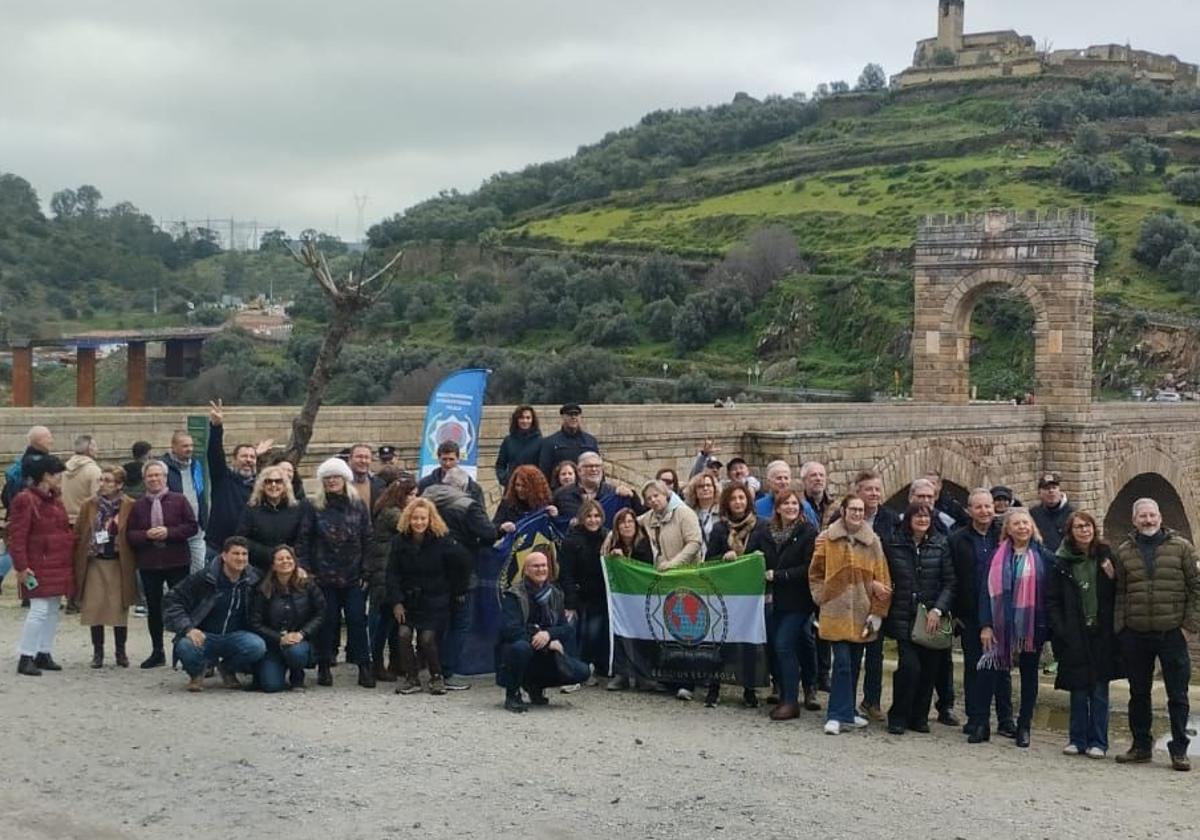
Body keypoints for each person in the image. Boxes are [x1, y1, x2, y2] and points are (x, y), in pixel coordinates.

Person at [1112, 498, 1199, 771]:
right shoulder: (1124, 551)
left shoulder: (1182, 548)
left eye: (1152, 515)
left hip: (1172, 631)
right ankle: (1140, 746)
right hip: (1136, 633)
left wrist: (1189, 627)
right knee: (1138, 693)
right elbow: (1121, 593)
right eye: (1143, 517)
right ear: (1134, 520)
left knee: (1178, 694)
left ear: (1160, 517)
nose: (1148, 521)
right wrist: (1121, 627)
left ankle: (1179, 750)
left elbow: (1196, 588)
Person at [809, 493, 892, 735]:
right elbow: (815, 572)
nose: (857, 513)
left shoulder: (873, 541)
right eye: (852, 509)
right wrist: (821, 595)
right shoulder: (827, 539)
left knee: (855, 664)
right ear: (844, 511)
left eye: (860, 510)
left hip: (862, 611)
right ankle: (835, 714)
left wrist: (877, 611)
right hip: (835, 608)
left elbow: (883, 577)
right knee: (842, 663)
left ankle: (848, 711)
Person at [967, 508, 1049, 748]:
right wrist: (986, 625)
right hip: (999, 625)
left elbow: (1052, 593)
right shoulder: (995, 556)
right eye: (1016, 524)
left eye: (1025, 523)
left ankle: (1024, 726)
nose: (1022, 527)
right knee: (988, 673)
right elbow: (985, 593)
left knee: (1028, 676)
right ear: (1008, 530)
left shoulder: (1044, 556)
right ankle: (982, 723)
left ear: (1032, 527)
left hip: (1030, 627)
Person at [422, 466, 505, 690]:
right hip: (460, 570)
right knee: (460, 622)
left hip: (430, 572)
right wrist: (501, 530)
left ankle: (432, 668)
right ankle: (447, 672)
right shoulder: (467, 505)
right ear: (463, 486)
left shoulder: (425, 499)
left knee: (436, 622)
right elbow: (488, 533)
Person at [1046, 511, 1121, 759]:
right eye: (1079, 527)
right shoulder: (1062, 562)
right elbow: (1053, 599)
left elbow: (1120, 593)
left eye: (1087, 526)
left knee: (1099, 690)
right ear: (1071, 532)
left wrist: (1113, 578)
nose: (1084, 531)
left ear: (1094, 529)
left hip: (1101, 632)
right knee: (1078, 688)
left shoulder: (1106, 557)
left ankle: (1099, 741)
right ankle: (1077, 739)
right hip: (1074, 632)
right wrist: (1061, 629)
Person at [296, 457, 375, 689]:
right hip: (323, 577)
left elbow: (368, 538)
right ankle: (324, 664)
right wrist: (307, 569)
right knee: (327, 622)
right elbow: (304, 539)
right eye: (328, 478)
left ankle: (364, 665)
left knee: (357, 621)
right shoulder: (313, 506)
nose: (332, 481)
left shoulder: (358, 505)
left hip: (353, 576)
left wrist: (367, 570)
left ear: (344, 479)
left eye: (336, 477)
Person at [883, 503, 955, 735]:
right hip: (904, 614)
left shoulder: (941, 544)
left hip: (931, 617)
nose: (922, 520)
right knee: (909, 668)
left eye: (926, 517)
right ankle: (898, 715)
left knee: (929, 669)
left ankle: (919, 717)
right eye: (918, 516)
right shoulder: (894, 544)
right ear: (909, 518)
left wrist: (939, 609)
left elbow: (950, 582)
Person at [388, 497, 471, 695]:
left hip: (436, 600)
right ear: (409, 519)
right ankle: (412, 677)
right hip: (409, 599)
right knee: (403, 634)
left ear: (430, 519)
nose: (419, 522)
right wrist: (397, 601)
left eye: (423, 518)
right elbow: (392, 573)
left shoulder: (442, 540)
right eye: (415, 518)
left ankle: (436, 676)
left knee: (427, 639)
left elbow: (464, 563)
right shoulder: (399, 542)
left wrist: (458, 590)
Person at [949, 487, 1014, 736]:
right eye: (979, 507)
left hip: (1001, 612)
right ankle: (976, 717)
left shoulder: (1004, 535)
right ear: (969, 510)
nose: (985, 511)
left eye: (988, 506)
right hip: (970, 613)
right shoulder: (957, 539)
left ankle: (1006, 719)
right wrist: (955, 613)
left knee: (1002, 668)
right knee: (974, 667)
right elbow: (952, 576)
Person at [164, 536, 267, 692]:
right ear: (224, 556)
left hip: (236, 635)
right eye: (236, 554)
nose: (240, 558)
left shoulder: (254, 579)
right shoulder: (204, 577)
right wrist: (188, 628)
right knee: (185, 646)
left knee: (257, 646)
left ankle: (227, 668)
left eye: (244, 554)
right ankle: (197, 673)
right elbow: (172, 600)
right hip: (204, 635)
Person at [496, 550, 591, 712]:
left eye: (544, 565)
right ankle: (512, 694)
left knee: (583, 671)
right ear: (526, 570)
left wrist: (549, 635)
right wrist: (542, 637)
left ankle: (535, 687)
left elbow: (566, 628)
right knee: (520, 648)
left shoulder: (555, 594)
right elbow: (510, 630)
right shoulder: (513, 595)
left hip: (545, 651)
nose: (541, 570)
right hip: (517, 650)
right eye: (535, 566)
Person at [126, 460, 199, 669]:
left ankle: (182, 649)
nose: (154, 479)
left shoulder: (179, 500)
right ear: (144, 479)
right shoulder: (138, 505)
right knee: (154, 608)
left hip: (176, 560)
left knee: (181, 606)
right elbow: (130, 534)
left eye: (158, 475)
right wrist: (146, 535)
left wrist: (170, 532)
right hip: (150, 563)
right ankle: (157, 650)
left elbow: (192, 527)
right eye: (150, 476)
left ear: (165, 478)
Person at [9, 456, 75, 676]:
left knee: (53, 609)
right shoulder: (25, 500)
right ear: (46, 476)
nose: (60, 479)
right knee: (38, 610)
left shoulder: (55, 500)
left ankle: (43, 651)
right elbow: (17, 536)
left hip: (57, 562)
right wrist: (21, 566)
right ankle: (26, 655)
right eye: (57, 475)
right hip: (38, 564)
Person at [758, 487, 820, 720]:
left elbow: (809, 567)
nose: (791, 507)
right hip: (773, 601)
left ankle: (791, 701)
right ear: (778, 508)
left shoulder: (808, 532)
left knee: (784, 644)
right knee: (777, 647)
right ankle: (784, 693)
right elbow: (753, 555)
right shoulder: (766, 531)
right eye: (786, 504)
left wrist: (780, 575)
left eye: (795, 504)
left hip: (798, 601)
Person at [73, 465, 137, 668]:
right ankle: (98, 652)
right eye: (101, 480)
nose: (103, 484)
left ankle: (121, 651)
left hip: (119, 562)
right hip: (95, 561)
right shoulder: (89, 505)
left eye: (108, 480)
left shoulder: (130, 505)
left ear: (119, 484)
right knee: (95, 608)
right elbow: (79, 531)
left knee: (119, 609)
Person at [853, 469, 901, 723]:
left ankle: (871, 700)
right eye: (868, 489)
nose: (874, 494)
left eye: (877, 489)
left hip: (879, 596)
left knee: (874, 650)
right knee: (850, 649)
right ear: (858, 492)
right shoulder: (848, 518)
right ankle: (846, 700)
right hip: (851, 594)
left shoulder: (892, 519)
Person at [248, 544, 324, 692]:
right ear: (273, 565)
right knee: (271, 686)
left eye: (289, 558)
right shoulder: (262, 589)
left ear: (295, 562)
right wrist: (278, 638)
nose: (285, 561)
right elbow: (254, 622)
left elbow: (320, 613)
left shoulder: (308, 584)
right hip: (273, 643)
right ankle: (267, 670)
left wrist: (302, 634)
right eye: (280, 559)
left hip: (300, 641)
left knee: (296, 652)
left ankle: (297, 675)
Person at [364, 474, 418, 682]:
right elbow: (410, 527)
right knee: (384, 622)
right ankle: (376, 663)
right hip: (385, 574)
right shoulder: (393, 514)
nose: (415, 498)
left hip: (386, 571)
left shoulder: (386, 509)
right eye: (412, 495)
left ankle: (396, 662)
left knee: (392, 622)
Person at [558, 499, 610, 684]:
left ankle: (597, 668)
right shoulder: (571, 540)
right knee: (581, 634)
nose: (593, 520)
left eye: (596, 516)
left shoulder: (608, 537)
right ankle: (580, 669)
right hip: (579, 594)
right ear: (582, 518)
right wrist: (570, 601)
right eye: (589, 516)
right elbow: (566, 573)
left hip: (601, 595)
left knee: (596, 633)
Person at [205, 400, 265, 554]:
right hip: (218, 547)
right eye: (244, 456)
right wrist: (216, 427)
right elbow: (214, 454)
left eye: (252, 457)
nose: (248, 460)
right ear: (234, 459)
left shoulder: (262, 485)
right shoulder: (223, 478)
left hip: (248, 549)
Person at [236, 465, 305, 573]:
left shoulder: (297, 509)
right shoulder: (251, 509)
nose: (273, 485)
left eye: (278, 481)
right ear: (262, 485)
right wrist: (270, 554)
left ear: (285, 485)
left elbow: (302, 539)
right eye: (268, 481)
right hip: (258, 568)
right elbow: (241, 538)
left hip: (288, 568)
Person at [161, 429, 207, 573]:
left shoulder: (196, 465)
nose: (190, 449)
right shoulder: (162, 467)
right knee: (174, 571)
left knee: (199, 568)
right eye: (185, 446)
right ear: (173, 447)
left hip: (196, 526)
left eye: (191, 446)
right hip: (175, 528)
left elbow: (200, 492)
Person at [552, 451, 639, 523]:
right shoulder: (561, 495)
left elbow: (637, 517)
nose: (594, 469)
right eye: (589, 466)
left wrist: (633, 497)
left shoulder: (612, 492)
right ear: (579, 470)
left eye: (597, 466)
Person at [537, 403, 600, 481]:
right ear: (563, 417)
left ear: (580, 417)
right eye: (570, 415)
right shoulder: (550, 442)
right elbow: (545, 471)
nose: (573, 417)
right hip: (560, 489)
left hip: (585, 488)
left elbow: (598, 468)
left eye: (576, 415)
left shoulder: (590, 441)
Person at [2, 424, 53, 511]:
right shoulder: (43, 464)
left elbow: (6, 498)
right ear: (40, 441)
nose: (52, 441)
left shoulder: (19, 463)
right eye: (49, 437)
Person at [417, 441, 485, 506]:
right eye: (444, 459)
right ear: (438, 459)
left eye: (451, 459)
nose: (447, 463)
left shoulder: (473, 488)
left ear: (458, 459)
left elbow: (480, 514)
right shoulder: (425, 484)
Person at [495, 405, 543, 489]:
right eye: (521, 418)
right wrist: (505, 479)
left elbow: (544, 466)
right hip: (512, 487)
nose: (525, 421)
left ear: (533, 420)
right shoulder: (508, 441)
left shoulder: (541, 441)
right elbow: (500, 465)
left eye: (528, 418)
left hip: (533, 488)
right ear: (516, 420)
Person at [1028, 473, 1075, 553]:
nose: (1051, 491)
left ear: (1060, 491)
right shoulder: (1033, 514)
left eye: (1054, 488)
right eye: (1047, 488)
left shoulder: (1071, 514)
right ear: (1039, 493)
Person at [61, 434, 102, 525]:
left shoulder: (63, 469)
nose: (97, 450)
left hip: (65, 520)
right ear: (90, 449)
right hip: (85, 521)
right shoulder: (94, 470)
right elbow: (96, 499)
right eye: (95, 446)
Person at [348, 443, 389, 513]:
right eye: (359, 457)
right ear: (350, 459)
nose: (363, 461)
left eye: (366, 457)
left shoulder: (379, 484)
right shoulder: (342, 484)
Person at [684, 472, 721, 543]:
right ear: (694, 490)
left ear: (714, 488)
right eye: (700, 486)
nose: (705, 488)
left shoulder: (722, 511)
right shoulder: (688, 513)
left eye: (708, 485)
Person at [799, 461, 834, 529]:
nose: (818, 478)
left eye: (821, 475)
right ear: (804, 480)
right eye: (813, 475)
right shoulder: (797, 506)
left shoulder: (835, 506)